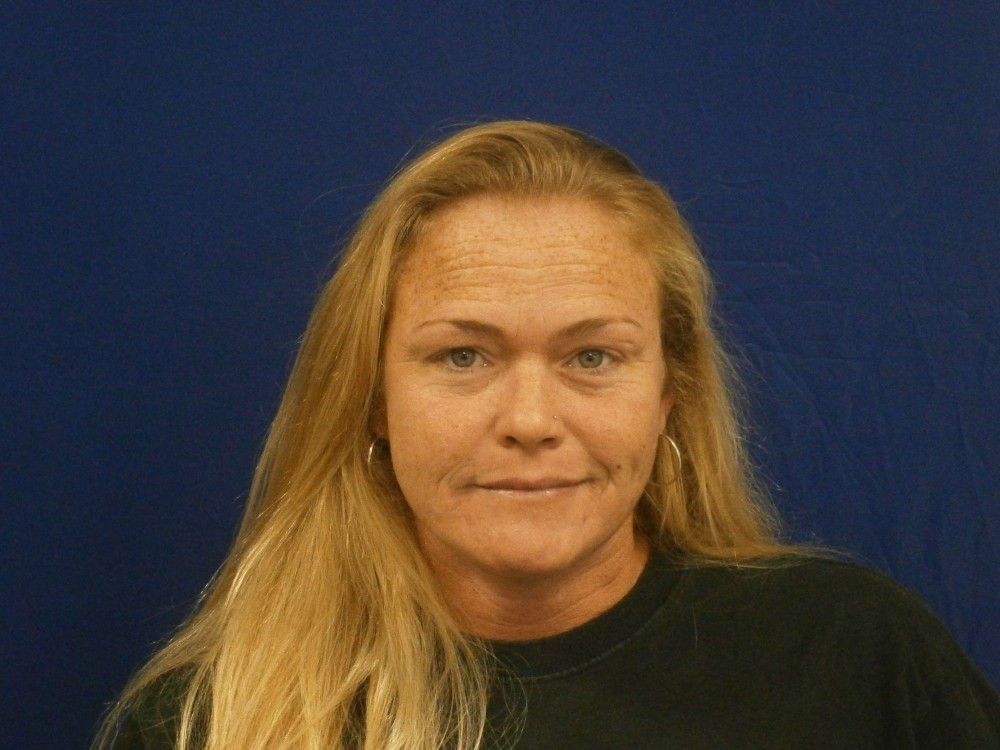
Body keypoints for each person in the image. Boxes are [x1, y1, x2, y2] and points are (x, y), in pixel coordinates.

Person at [96, 121, 1000, 749]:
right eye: (462, 356)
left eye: (593, 357)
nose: (530, 422)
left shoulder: (855, 658)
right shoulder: (206, 722)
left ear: (670, 392)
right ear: (372, 398)